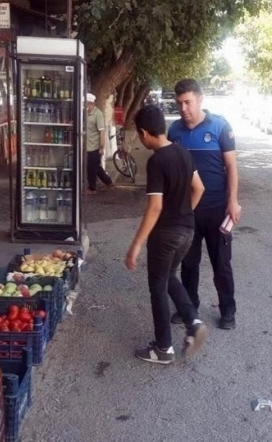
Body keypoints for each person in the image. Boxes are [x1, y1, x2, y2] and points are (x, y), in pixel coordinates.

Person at [125, 105, 207, 364]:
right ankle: (193, 322)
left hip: (166, 235)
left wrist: (136, 245)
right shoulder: (182, 152)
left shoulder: (157, 161)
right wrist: (183, 213)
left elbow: (155, 207)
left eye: (140, 135)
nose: (141, 139)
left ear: (145, 132)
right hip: (187, 230)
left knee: (157, 288)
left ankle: (163, 348)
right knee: (169, 276)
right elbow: (199, 188)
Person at [167, 79, 241, 330]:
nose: (183, 108)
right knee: (188, 263)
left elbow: (231, 166)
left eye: (188, 102)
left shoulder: (220, 126)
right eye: (179, 103)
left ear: (200, 100)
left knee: (221, 263)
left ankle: (228, 310)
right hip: (187, 211)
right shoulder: (174, 131)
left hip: (217, 209)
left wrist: (233, 201)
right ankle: (189, 307)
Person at [85, 93, 114, 194]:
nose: (85, 106)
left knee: (91, 168)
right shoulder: (86, 113)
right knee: (96, 166)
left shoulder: (98, 114)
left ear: (91, 104)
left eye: (86, 104)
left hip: (95, 146)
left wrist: (102, 147)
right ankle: (108, 181)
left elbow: (102, 132)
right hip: (87, 145)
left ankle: (92, 188)